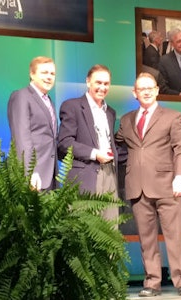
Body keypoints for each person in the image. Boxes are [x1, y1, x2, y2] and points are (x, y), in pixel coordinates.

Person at [115, 72, 181, 297]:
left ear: (157, 90)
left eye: (150, 88)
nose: (147, 91)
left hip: (167, 185)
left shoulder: (172, 116)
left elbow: (180, 148)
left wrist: (180, 176)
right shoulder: (127, 120)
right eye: (142, 88)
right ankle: (152, 282)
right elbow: (117, 142)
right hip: (138, 187)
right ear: (134, 93)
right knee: (146, 240)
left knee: (175, 237)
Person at [58, 64, 119, 221]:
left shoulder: (110, 112)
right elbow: (65, 142)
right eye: (98, 82)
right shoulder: (72, 106)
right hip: (85, 176)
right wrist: (95, 154)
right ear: (88, 82)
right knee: (84, 232)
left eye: (106, 84)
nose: (102, 87)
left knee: (109, 231)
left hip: (109, 174)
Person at [7, 56, 58, 191]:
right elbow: (21, 138)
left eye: (52, 74)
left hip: (49, 174)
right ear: (32, 74)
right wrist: (29, 172)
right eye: (44, 73)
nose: (49, 77)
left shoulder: (48, 100)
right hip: (32, 176)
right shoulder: (22, 96)